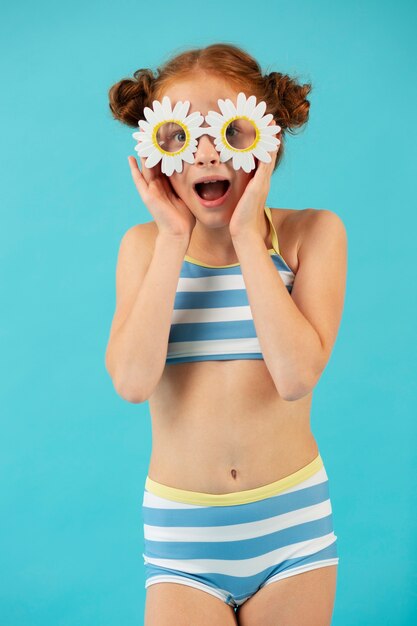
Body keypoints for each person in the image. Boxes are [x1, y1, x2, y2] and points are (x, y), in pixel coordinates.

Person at [105, 43, 347, 626]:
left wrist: (246, 236)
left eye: (230, 132)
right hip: (182, 537)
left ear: (267, 140)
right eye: (180, 136)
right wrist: (171, 239)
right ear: (156, 152)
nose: (207, 152)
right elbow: (133, 383)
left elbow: (294, 378)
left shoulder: (311, 236)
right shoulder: (143, 247)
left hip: (293, 531)